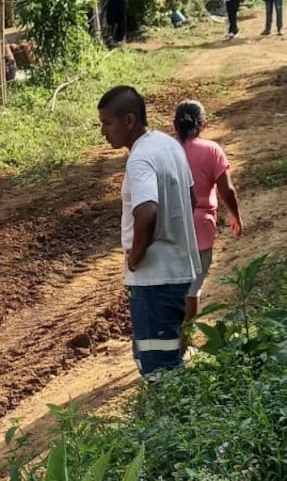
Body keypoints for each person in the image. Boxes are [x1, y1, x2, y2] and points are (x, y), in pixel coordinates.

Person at [98, 85, 201, 378]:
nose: (104, 132)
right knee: (166, 358)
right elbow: (191, 198)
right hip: (178, 273)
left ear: (129, 121)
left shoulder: (140, 159)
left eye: (108, 123)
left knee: (161, 371)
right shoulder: (169, 145)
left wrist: (135, 257)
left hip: (154, 280)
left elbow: (147, 212)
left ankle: (175, 422)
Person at [173, 100, 242, 338]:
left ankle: (169, 339)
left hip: (169, 227)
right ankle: (185, 340)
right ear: (203, 125)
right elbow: (227, 190)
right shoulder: (212, 150)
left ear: (174, 125)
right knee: (192, 290)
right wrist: (235, 215)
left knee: (172, 287)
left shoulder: (166, 150)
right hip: (201, 227)